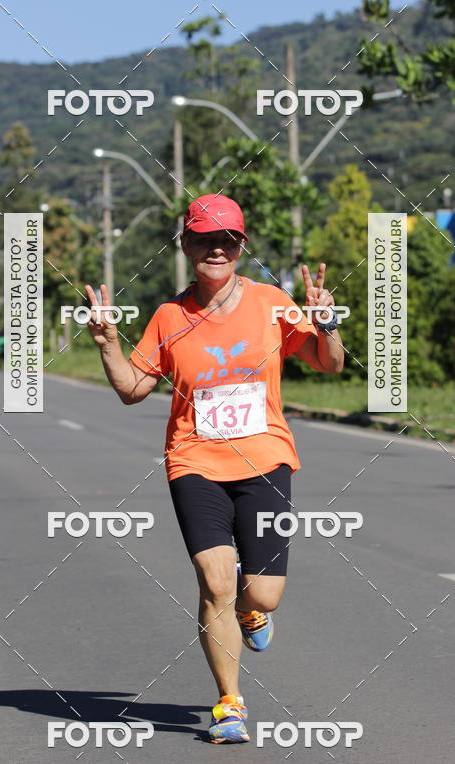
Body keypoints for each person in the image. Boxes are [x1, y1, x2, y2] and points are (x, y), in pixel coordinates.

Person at [85, 194, 344, 744]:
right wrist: (108, 344)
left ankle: (252, 613)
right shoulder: (168, 317)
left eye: (227, 240)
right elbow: (132, 389)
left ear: (241, 246)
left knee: (264, 594)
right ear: (186, 245)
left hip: (265, 459)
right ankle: (230, 704)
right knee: (215, 582)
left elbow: (330, 363)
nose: (216, 249)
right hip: (194, 460)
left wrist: (326, 325)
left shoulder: (272, 303)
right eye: (204, 239)